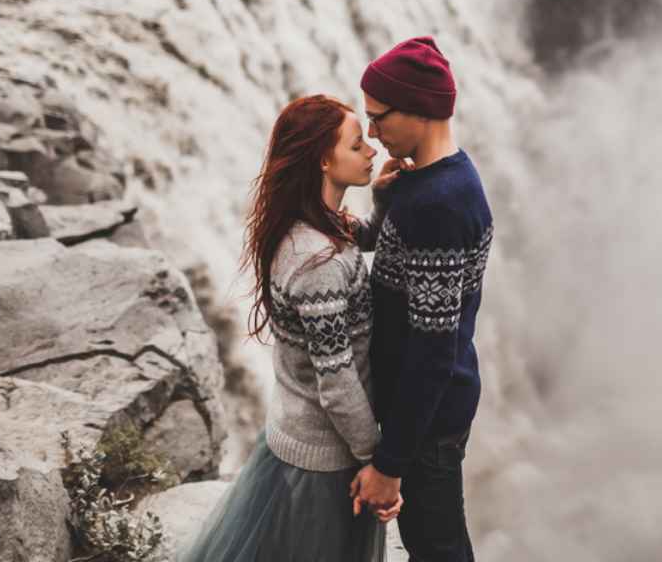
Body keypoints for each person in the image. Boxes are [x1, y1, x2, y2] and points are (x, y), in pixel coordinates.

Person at [178, 94, 408, 562]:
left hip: (295, 435)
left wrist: (382, 202)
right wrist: (376, 462)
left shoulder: (314, 225)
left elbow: (356, 237)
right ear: (325, 160)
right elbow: (337, 380)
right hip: (324, 461)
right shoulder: (313, 262)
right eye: (357, 145)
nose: (372, 152)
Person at [349, 36, 494, 562]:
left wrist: (390, 465)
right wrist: (385, 203)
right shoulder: (432, 181)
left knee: (438, 548)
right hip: (431, 412)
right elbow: (397, 256)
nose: (371, 132)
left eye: (379, 117)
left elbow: (432, 353)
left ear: (420, 110)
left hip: (427, 424)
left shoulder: (438, 204)